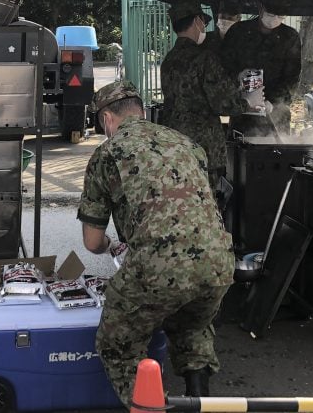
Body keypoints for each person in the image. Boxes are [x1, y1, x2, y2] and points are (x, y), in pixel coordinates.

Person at [77, 81, 235, 403]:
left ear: (106, 119)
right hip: (218, 262)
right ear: (142, 112)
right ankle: (198, 399)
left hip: (159, 266)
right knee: (192, 326)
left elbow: (92, 242)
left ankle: (150, 406)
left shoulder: (108, 153)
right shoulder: (187, 143)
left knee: (118, 344)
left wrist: (110, 246)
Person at [160, 0, 263, 196]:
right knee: (204, 200)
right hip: (202, 146)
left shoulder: (169, 60)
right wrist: (247, 102)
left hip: (173, 141)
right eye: (203, 23)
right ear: (197, 21)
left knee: (181, 197)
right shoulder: (204, 58)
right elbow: (223, 104)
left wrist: (232, 81)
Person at [221, 0, 301, 135]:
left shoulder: (290, 37)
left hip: (276, 117)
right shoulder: (238, 32)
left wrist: (273, 102)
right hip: (243, 113)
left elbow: (292, 78)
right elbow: (223, 68)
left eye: (280, 15)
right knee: (241, 146)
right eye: (271, 14)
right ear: (260, 8)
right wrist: (237, 78)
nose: (275, 18)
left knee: (276, 148)